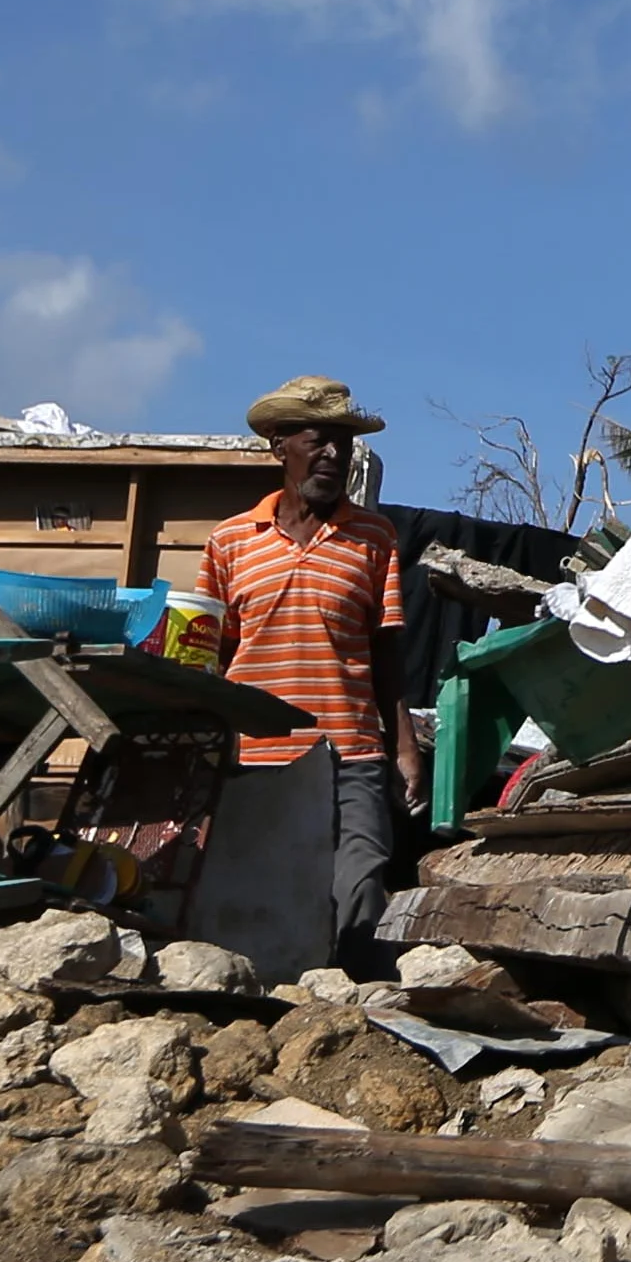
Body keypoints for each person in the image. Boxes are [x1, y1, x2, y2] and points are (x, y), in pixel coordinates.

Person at [206, 375, 411, 970]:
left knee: (362, 882)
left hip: (351, 751)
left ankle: (356, 1013)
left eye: (342, 446)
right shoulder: (230, 542)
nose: (332, 456)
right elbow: (210, 655)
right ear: (280, 446)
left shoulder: (374, 537)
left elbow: (387, 650)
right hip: (260, 758)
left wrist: (404, 748)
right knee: (262, 892)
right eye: (318, 441)